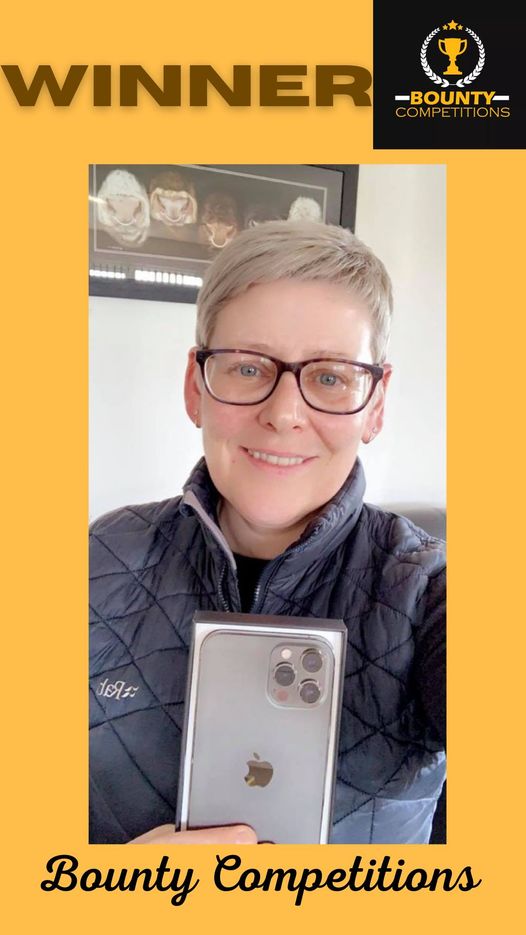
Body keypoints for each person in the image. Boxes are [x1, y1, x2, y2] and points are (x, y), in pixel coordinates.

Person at [89, 220, 445, 845]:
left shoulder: (425, 590)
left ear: (376, 405)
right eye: (249, 368)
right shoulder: (100, 556)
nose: (283, 414)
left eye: (330, 377)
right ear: (196, 388)